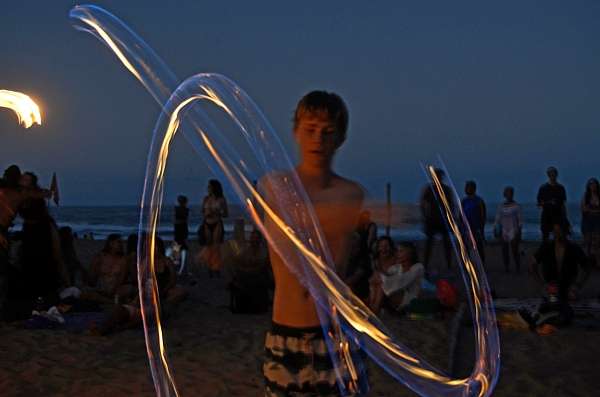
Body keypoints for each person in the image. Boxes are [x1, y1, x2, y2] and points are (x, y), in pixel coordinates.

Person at [261, 91, 364, 396]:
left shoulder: (351, 194)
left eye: (328, 131)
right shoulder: (275, 185)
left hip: (337, 334)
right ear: (296, 132)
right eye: (310, 129)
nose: (318, 138)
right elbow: (296, 222)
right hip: (286, 334)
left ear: (340, 138)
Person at [529, 221, 591, 326]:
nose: (558, 234)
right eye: (555, 232)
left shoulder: (574, 248)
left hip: (568, 287)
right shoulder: (547, 246)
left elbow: (587, 268)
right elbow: (532, 265)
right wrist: (542, 285)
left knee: (568, 304)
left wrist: (577, 285)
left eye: (560, 231)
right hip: (551, 287)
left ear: (567, 232)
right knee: (552, 302)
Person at [369, 241, 424, 315]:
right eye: (397, 251)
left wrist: (382, 278)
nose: (397, 254)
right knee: (379, 281)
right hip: (395, 295)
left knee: (382, 284)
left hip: (410, 299)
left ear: (410, 253)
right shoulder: (398, 267)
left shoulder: (418, 267)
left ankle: (374, 309)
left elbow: (403, 282)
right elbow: (386, 274)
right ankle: (373, 306)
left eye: (401, 251)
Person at [420, 168, 454, 272]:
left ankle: (448, 265)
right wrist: (425, 216)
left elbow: (451, 205)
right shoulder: (430, 189)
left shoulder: (445, 189)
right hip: (433, 219)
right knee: (430, 244)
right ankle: (426, 265)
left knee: (446, 244)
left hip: (441, 219)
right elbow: (423, 204)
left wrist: (450, 218)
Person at [81, 234, 130, 304]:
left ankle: (109, 300)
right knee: (86, 293)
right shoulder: (100, 257)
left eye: (121, 242)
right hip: (101, 288)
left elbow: (121, 279)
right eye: (118, 242)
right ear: (110, 243)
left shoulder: (123, 260)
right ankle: (110, 302)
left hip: (115, 288)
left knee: (128, 290)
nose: (121, 244)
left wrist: (114, 290)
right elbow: (91, 276)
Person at [198, 179, 228, 277]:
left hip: (217, 223)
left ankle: (216, 267)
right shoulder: (206, 199)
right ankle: (210, 266)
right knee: (208, 245)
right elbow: (202, 211)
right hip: (207, 223)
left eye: (210, 187)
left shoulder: (221, 199)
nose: (208, 188)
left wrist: (217, 212)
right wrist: (207, 212)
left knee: (216, 246)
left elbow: (226, 214)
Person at [494, 187, 523, 272]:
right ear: (505, 195)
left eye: (510, 193)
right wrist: (495, 229)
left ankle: (517, 266)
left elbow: (520, 220)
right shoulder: (501, 206)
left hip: (514, 229)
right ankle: (506, 267)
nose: (509, 195)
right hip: (504, 230)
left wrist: (519, 231)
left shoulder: (517, 206)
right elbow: (497, 219)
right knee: (504, 250)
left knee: (514, 250)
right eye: (507, 193)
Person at [537, 166, 567, 241]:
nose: (552, 175)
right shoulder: (543, 188)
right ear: (548, 175)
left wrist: (565, 217)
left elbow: (563, 204)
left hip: (558, 215)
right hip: (547, 214)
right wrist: (549, 202)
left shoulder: (561, 188)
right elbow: (539, 204)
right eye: (550, 174)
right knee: (545, 237)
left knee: (559, 237)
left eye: (554, 173)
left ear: (556, 174)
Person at [461, 180, 486, 263]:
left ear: (473, 189)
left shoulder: (479, 201)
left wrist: (481, 229)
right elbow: (461, 215)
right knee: (466, 247)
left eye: (468, 188)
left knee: (478, 247)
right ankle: (467, 264)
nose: (466, 189)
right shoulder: (464, 201)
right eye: (466, 188)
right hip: (466, 228)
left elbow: (483, 216)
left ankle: (481, 263)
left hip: (476, 228)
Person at [580, 178, 600, 267]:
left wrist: (590, 209)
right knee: (587, 242)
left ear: (597, 185)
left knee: (597, 242)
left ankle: (598, 262)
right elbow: (583, 209)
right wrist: (594, 210)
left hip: (597, 221)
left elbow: (587, 209)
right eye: (591, 184)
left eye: (594, 184)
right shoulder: (586, 196)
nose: (593, 186)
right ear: (588, 186)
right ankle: (587, 262)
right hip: (587, 220)